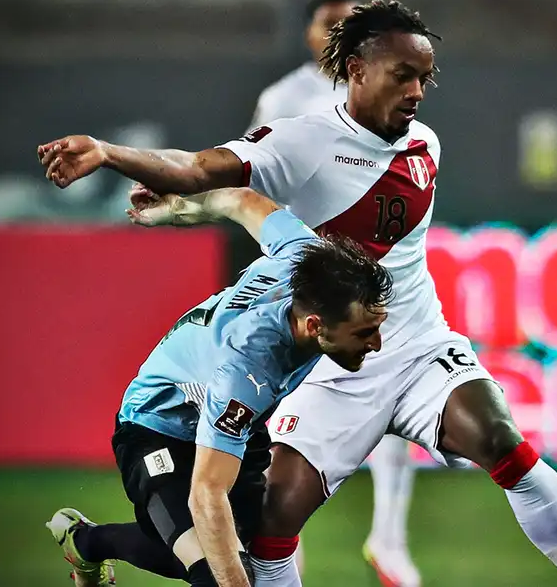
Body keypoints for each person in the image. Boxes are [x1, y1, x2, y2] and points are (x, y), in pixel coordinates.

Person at [37, 0, 557, 585]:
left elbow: (240, 202)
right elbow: (200, 167)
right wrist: (109, 154)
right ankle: (97, 542)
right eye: (403, 76)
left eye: (424, 78)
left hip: (415, 346)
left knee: (501, 440)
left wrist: (187, 209)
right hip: (326, 363)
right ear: (357, 69)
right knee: (269, 526)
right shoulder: (302, 140)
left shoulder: (424, 147)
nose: (417, 92)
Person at [43, 186, 392, 587]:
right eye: (364, 332)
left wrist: (176, 207)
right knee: (216, 571)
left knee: (241, 556)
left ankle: (88, 541)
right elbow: (207, 493)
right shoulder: (248, 366)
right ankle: (88, 541)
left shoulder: (306, 257)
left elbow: (241, 200)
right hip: (157, 428)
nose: (377, 343)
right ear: (314, 326)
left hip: (230, 419)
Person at [249, 0, 421, 584]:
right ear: (309, 31)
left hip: (374, 281)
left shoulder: (388, 92)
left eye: (350, 23)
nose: (337, 33)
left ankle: (389, 539)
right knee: (282, 436)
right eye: (329, 23)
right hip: (308, 290)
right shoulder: (285, 99)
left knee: (396, 396)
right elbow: (253, 184)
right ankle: (280, 560)